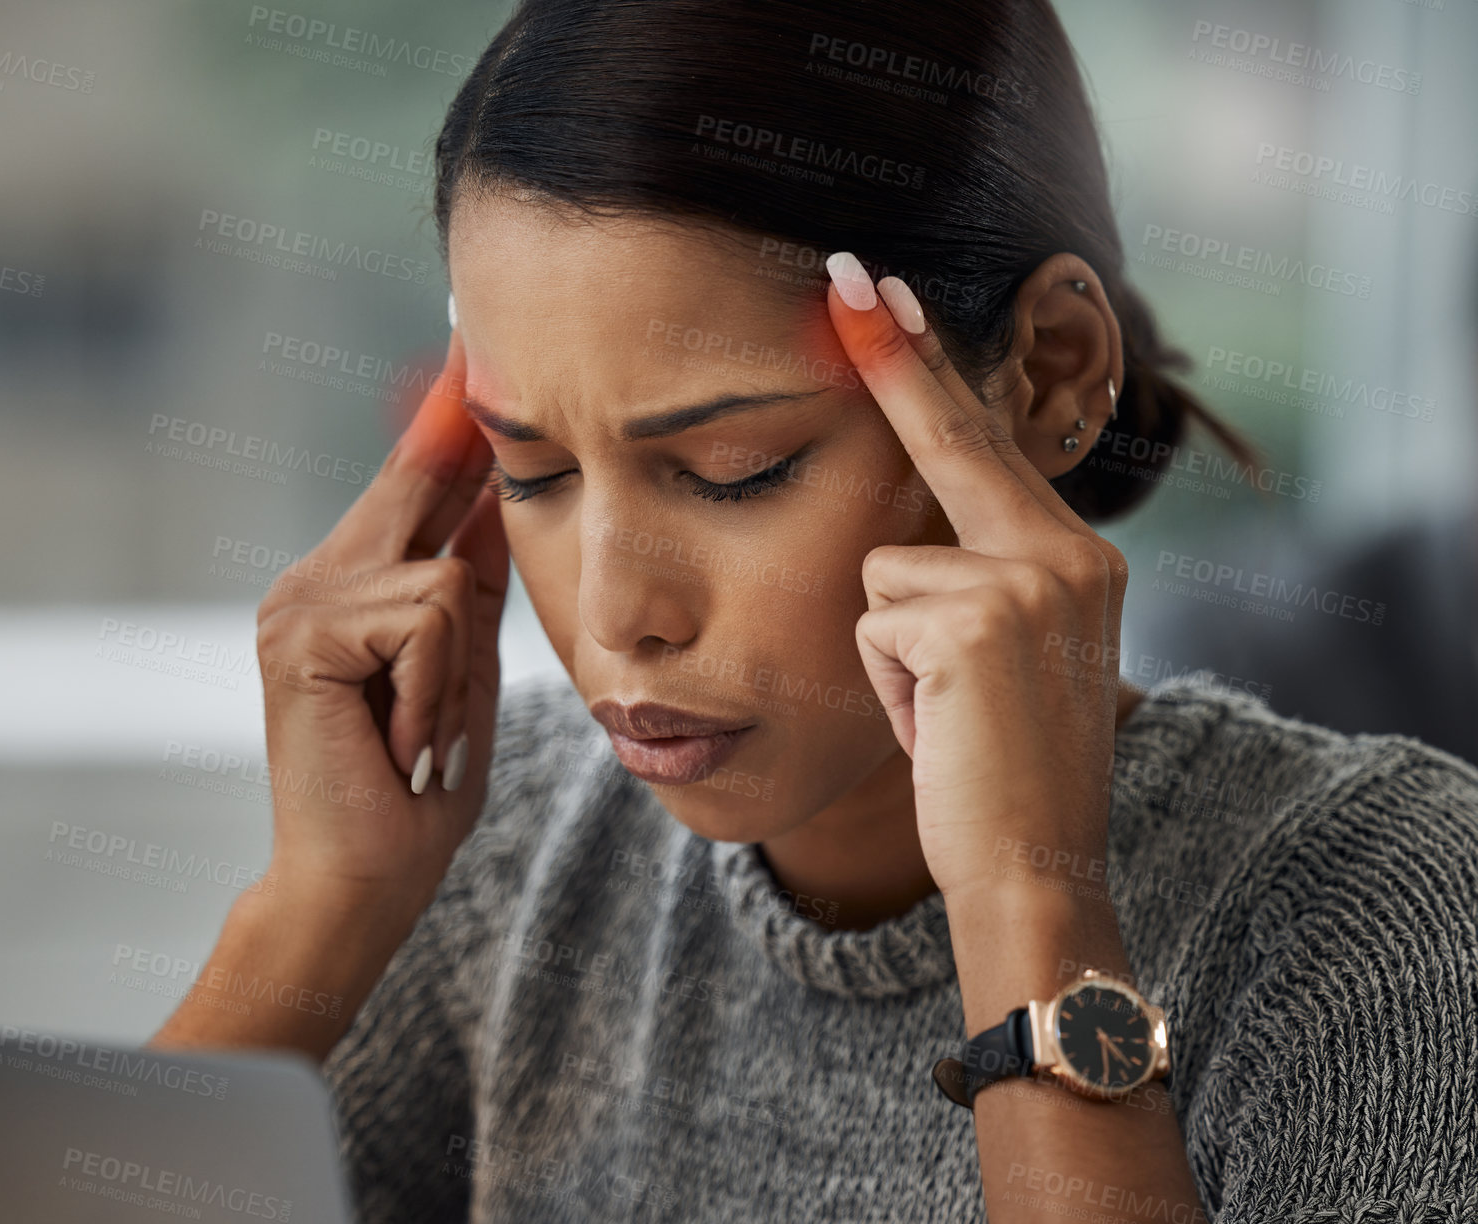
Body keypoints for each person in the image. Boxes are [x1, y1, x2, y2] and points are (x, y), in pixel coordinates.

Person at [149, 2, 1478, 1221]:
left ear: (1053, 374)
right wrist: (316, 910)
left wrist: (1031, 904)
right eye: (532, 470)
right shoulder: (507, 853)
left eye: (737, 471)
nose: (616, 613)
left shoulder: (1388, 913)